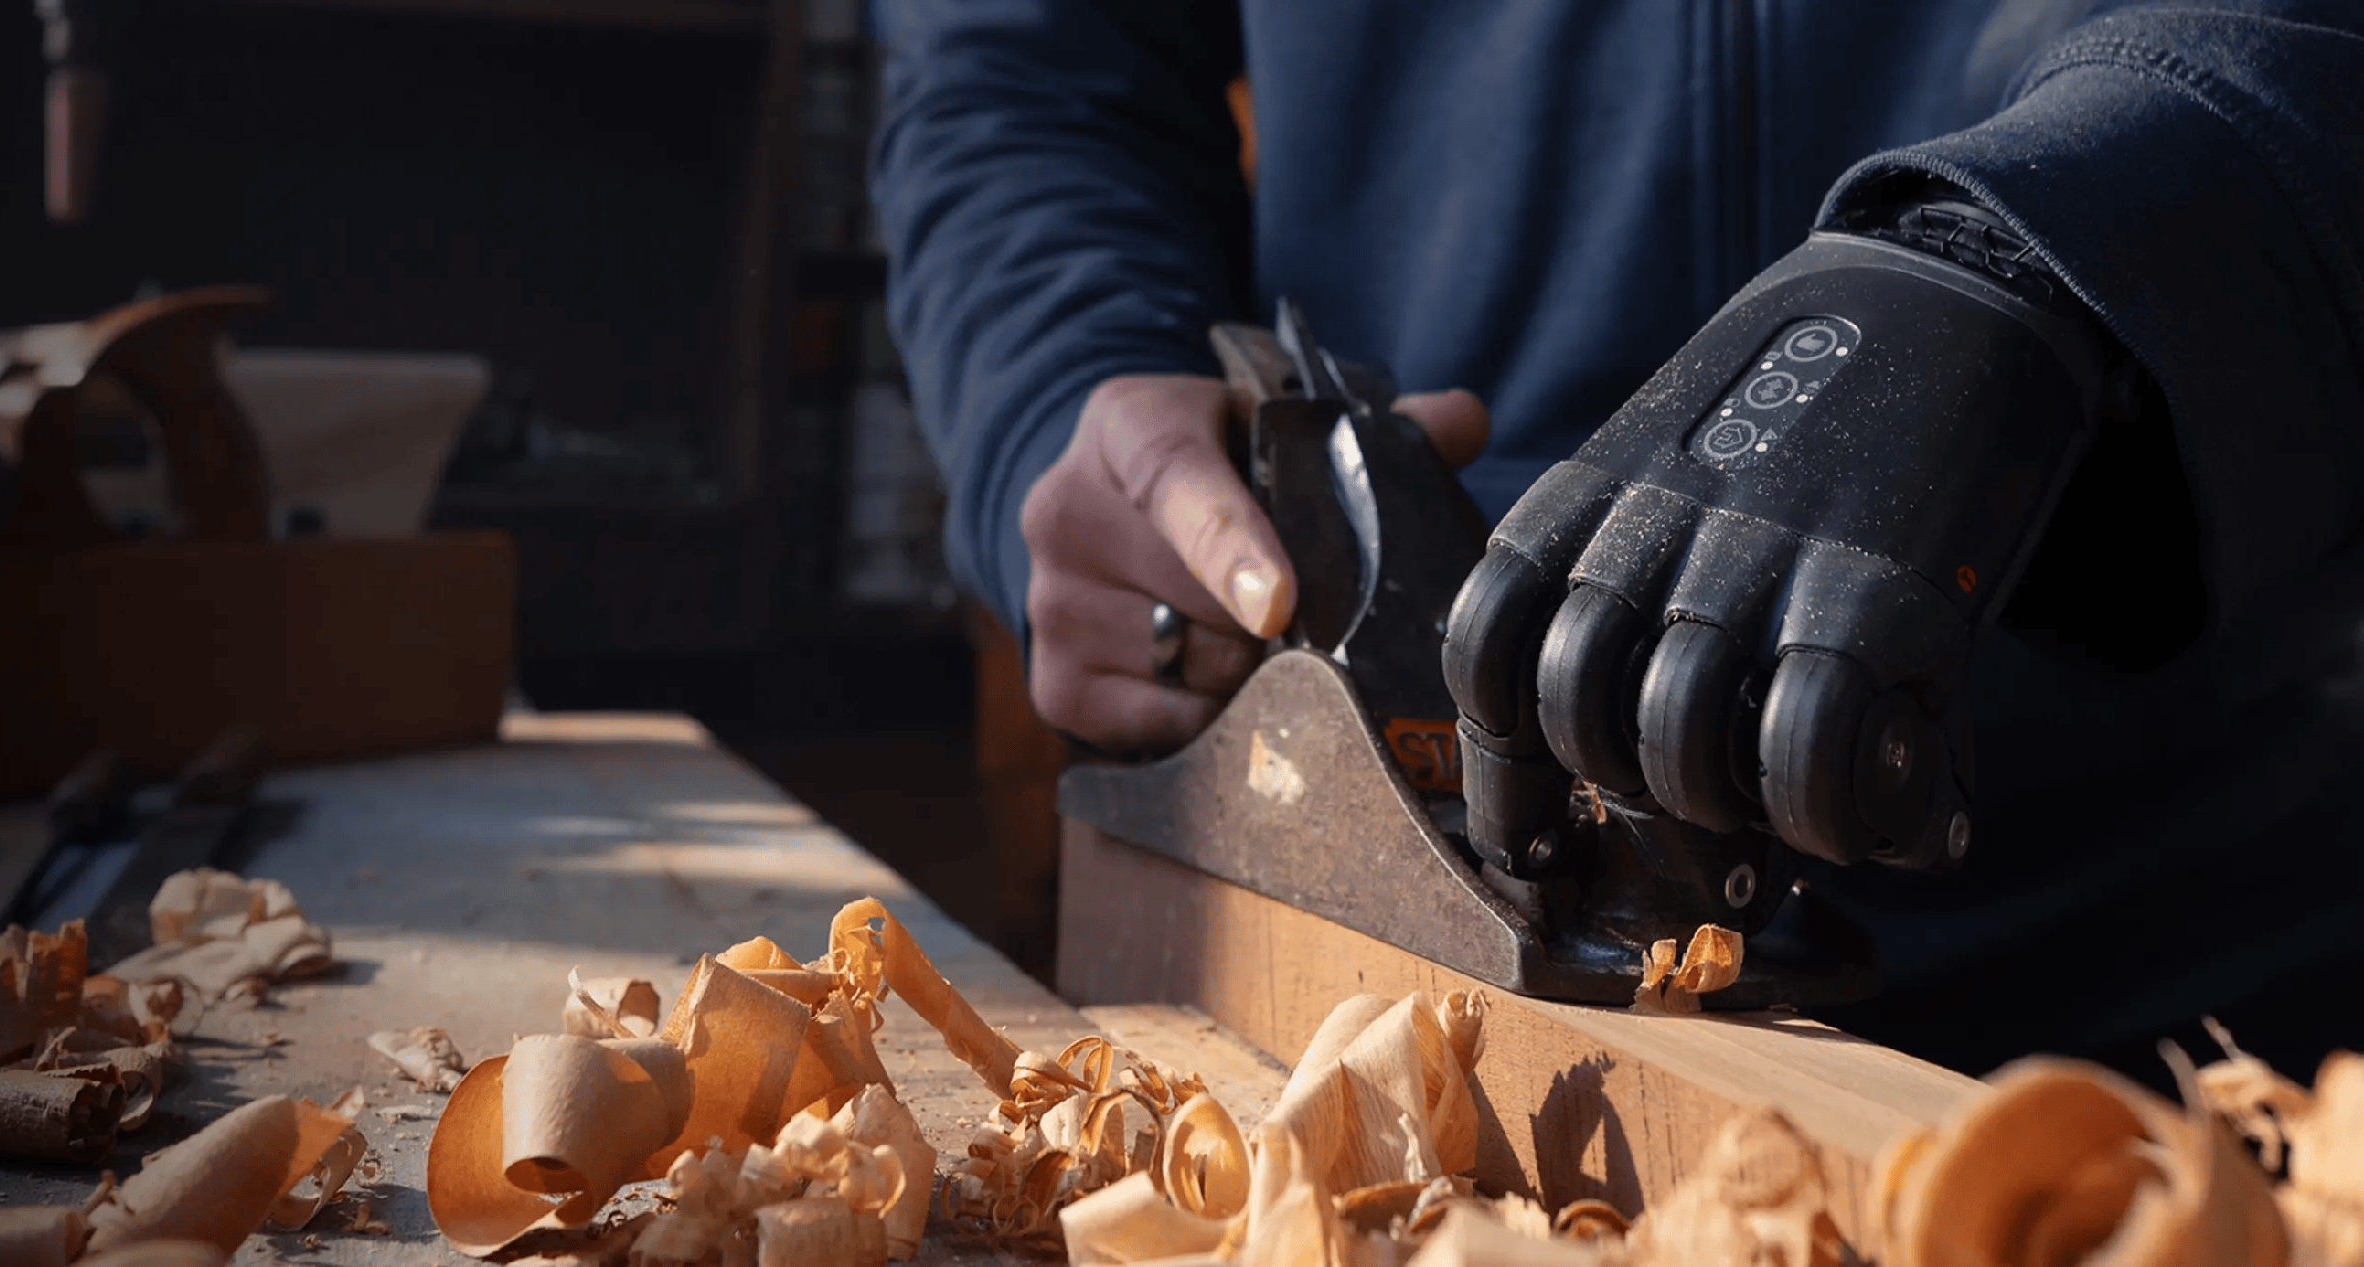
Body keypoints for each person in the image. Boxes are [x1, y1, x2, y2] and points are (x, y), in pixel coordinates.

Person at [868, 0, 2364, 1082]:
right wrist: (1068, 378)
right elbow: (1024, 75)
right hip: (1411, 1004)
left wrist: (2046, 240)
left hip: (2173, 918)